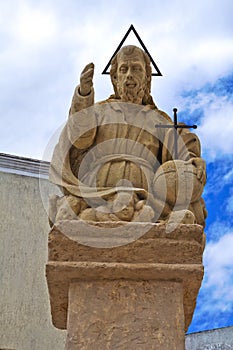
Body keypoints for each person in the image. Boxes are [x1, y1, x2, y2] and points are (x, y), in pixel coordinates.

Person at [49, 45, 207, 226]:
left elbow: (180, 148)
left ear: (147, 77)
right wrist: (83, 95)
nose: (130, 75)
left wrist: (193, 160)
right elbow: (80, 138)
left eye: (137, 69)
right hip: (96, 191)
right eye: (124, 69)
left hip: (145, 195)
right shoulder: (100, 111)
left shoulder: (159, 120)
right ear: (115, 77)